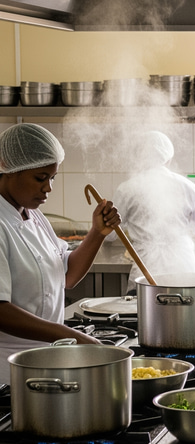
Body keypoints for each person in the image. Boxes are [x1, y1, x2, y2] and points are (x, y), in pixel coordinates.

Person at [0, 123, 121, 383]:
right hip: (7, 369)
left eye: (52, 178)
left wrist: (97, 233)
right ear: (8, 168)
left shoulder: (32, 215)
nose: (48, 188)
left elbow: (66, 276)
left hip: (46, 361)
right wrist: (70, 335)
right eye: (40, 178)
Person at [112, 131, 195, 293]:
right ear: (168, 158)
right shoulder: (188, 186)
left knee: (146, 313)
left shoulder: (127, 189)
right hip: (184, 265)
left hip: (147, 267)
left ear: (140, 158)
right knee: (186, 313)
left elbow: (110, 234)